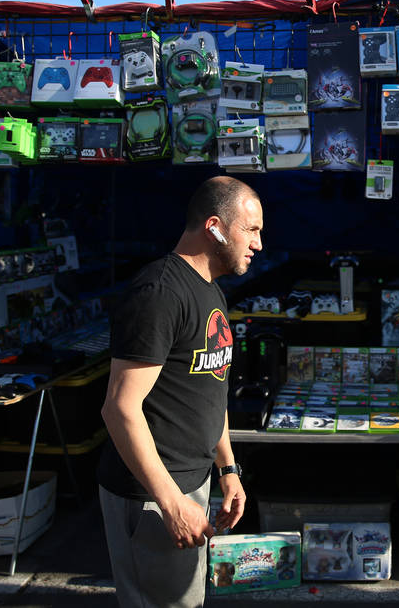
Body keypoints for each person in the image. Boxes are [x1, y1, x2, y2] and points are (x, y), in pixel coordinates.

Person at [98, 175, 263, 607]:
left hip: (194, 483)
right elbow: (119, 408)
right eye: (252, 229)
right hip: (153, 495)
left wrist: (228, 470)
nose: (259, 244)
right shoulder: (159, 292)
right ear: (214, 227)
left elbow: (212, 388)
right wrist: (171, 503)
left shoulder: (211, 292)